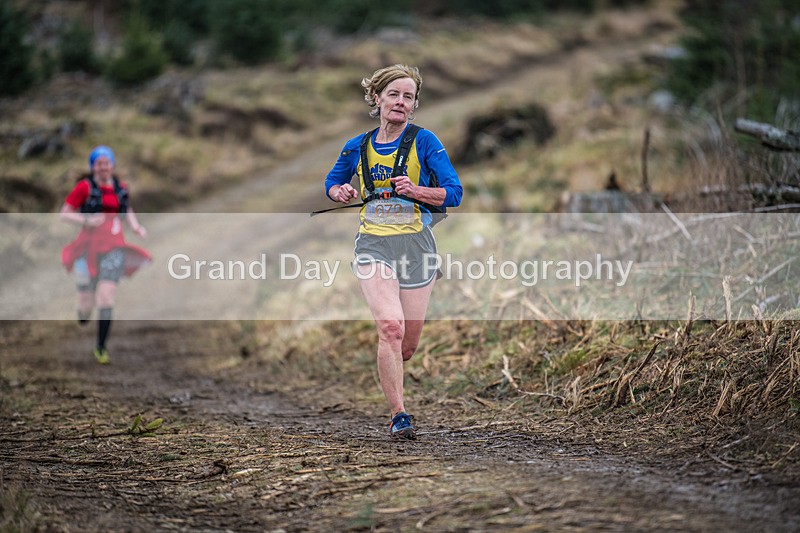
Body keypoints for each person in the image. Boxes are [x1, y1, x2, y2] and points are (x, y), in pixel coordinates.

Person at [324, 64, 463, 439]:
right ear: (377, 98)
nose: (400, 102)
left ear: (414, 105)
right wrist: (339, 192)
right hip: (373, 244)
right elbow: (333, 182)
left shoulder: (425, 142)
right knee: (390, 326)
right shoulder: (357, 146)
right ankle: (399, 415)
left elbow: (454, 193)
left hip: (418, 244)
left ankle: (390, 368)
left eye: (408, 97)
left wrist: (416, 190)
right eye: (393, 94)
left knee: (406, 345)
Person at [60, 146, 151, 364]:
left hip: (114, 248)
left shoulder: (121, 188)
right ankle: (83, 313)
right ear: (93, 167)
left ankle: (101, 347)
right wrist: (87, 220)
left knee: (106, 295)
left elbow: (126, 209)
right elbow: (65, 213)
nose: (103, 167)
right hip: (87, 249)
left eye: (106, 163)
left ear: (112, 165)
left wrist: (136, 227)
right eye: (99, 164)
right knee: (86, 306)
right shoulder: (84, 188)